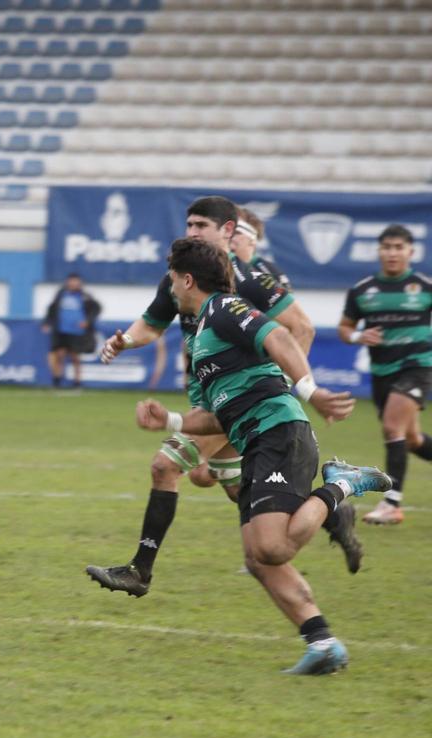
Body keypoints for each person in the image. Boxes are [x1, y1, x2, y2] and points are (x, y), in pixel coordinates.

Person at [137, 237, 390, 674]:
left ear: (188, 279)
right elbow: (218, 416)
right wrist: (172, 421)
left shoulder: (224, 308)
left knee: (272, 548)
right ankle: (323, 644)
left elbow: (280, 336)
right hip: (254, 441)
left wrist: (311, 391)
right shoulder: (199, 336)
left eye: (173, 280)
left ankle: (343, 483)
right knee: (258, 559)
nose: (171, 289)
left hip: (279, 431)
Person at [86, 195, 318, 597]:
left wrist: (271, 386)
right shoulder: (182, 275)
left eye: (200, 226)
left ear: (228, 230)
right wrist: (126, 340)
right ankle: (329, 511)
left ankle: (140, 569)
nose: (191, 231)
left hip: (243, 401)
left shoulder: (251, 280)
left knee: (165, 466)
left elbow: (301, 328)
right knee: (236, 488)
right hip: (210, 399)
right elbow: (152, 323)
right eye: (189, 225)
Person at [339, 224, 432, 525]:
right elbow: (345, 328)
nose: (393, 253)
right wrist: (358, 337)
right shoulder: (363, 290)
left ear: (410, 252)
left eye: (398, 247)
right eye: (387, 247)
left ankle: (392, 504)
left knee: (392, 428)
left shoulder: (424, 286)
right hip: (383, 373)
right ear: (379, 251)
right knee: (412, 439)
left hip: (417, 366)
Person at [42, 273, 102, 388]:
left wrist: (88, 321)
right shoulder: (61, 294)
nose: (73, 283)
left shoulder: (85, 296)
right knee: (58, 355)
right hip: (61, 330)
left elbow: (96, 309)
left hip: (77, 332)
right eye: (71, 281)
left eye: (76, 281)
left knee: (75, 357)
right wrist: (46, 322)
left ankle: (77, 381)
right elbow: (52, 308)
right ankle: (57, 379)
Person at [232, 206, 292, 291]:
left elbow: (288, 303)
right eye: (227, 230)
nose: (229, 236)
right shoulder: (216, 264)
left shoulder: (267, 271)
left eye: (236, 232)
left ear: (252, 239)